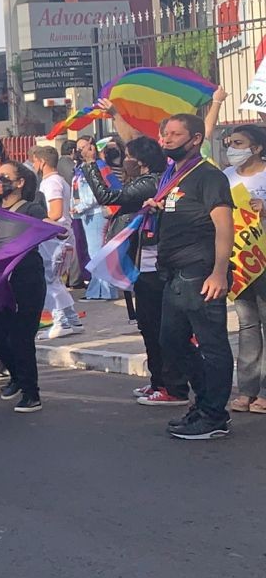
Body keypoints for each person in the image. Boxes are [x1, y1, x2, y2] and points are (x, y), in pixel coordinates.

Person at [148, 113, 236, 440]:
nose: (166, 139)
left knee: (212, 344)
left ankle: (214, 415)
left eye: (175, 134)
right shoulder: (173, 176)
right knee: (170, 341)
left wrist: (218, 272)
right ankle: (204, 402)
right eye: (165, 133)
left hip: (200, 272)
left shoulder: (208, 176)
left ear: (196, 139)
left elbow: (224, 226)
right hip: (175, 274)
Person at [78, 136, 178, 405]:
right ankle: (157, 381)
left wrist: (91, 164)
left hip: (152, 265)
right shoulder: (143, 181)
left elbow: (107, 196)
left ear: (142, 160)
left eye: (128, 156)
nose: (125, 161)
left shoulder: (150, 182)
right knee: (146, 324)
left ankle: (169, 384)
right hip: (140, 262)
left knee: (154, 325)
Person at [0, 164, 49, 413]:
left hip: (26, 280)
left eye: (5, 177)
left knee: (22, 338)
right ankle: (16, 376)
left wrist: (56, 229)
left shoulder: (31, 209)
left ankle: (31, 394)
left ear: (20, 183)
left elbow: (47, 223)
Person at [222, 125, 266, 413]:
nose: (232, 149)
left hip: (264, 258)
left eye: (238, 143)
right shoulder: (226, 176)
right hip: (240, 261)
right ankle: (247, 390)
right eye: (230, 143)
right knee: (247, 325)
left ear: (257, 148)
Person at [31, 145, 81, 338]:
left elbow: (56, 212)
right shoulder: (59, 181)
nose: (33, 165)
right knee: (56, 280)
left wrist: (38, 221)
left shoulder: (50, 183)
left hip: (54, 238)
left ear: (42, 162)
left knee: (49, 280)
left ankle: (61, 321)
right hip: (62, 236)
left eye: (34, 161)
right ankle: (72, 319)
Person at [71, 137, 121, 301]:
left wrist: (79, 207)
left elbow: (97, 192)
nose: (80, 151)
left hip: (96, 213)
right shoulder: (81, 168)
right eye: (78, 148)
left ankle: (105, 290)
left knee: (98, 253)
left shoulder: (97, 166)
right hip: (87, 213)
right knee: (95, 253)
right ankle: (98, 290)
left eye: (83, 147)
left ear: (92, 147)